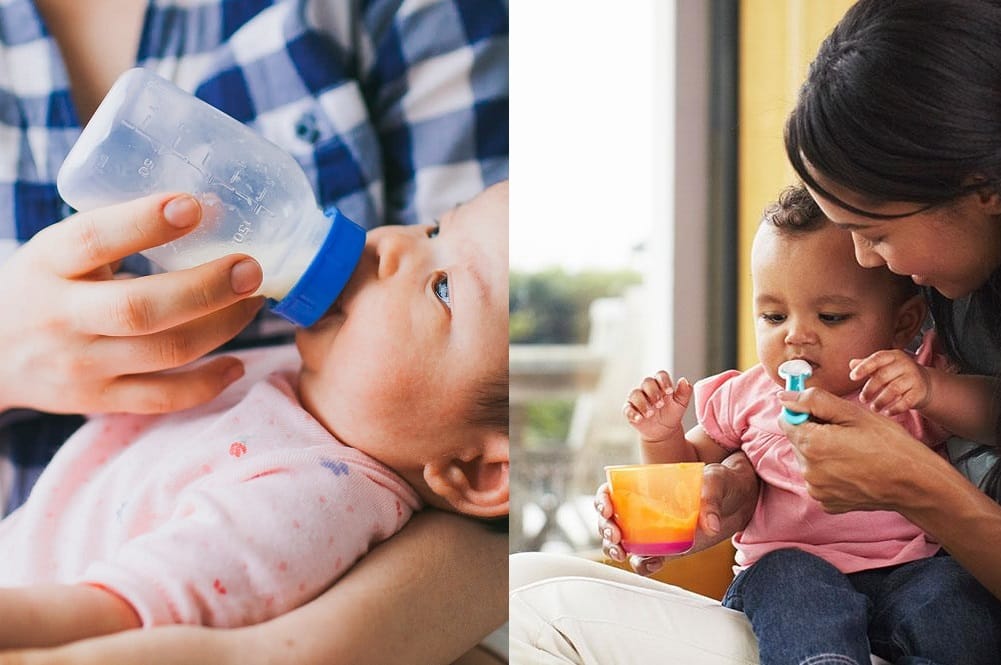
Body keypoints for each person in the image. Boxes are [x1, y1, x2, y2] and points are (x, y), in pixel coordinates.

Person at [0, 0, 508, 662]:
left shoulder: (309, 494)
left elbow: (109, 616)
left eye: (442, 286)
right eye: (432, 227)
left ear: (474, 468)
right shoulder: (285, 388)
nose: (388, 243)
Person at [512, 1, 1001, 662]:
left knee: (534, 614)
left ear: (983, 185)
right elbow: (690, 479)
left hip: (916, 587)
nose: (865, 259)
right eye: (772, 314)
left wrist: (918, 447)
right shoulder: (759, 388)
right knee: (522, 579)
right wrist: (708, 478)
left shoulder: (905, 368)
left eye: (876, 232)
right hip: (800, 597)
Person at [617, 186, 1001, 664]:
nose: (796, 335)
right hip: (791, 575)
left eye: (831, 316)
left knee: (952, 592)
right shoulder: (746, 395)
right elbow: (687, 477)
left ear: (904, 324)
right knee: (792, 581)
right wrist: (661, 435)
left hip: (912, 570)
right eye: (773, 315)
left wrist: (930, 388)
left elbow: (992, 416)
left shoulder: (901, 382)